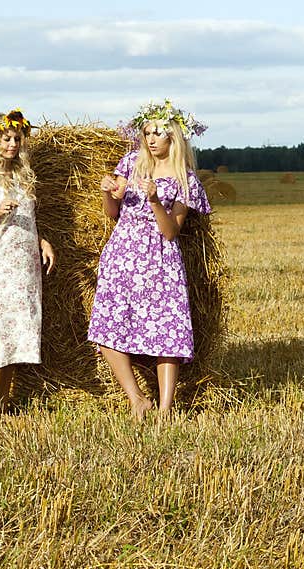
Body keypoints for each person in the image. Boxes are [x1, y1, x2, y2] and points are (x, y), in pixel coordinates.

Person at [87, 99, 210, 420]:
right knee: (107, 328)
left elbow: (171, 232)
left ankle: (166, 408)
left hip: (160, 260)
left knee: (168, 331)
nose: (151, 139)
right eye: (147, 133)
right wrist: (107, 192)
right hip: (122, 255)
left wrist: (155, 201)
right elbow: (111, 213)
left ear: (174, 136)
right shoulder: (130, 163)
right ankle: (137, 398)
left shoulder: (186, 180)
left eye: (158, 133)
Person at [0, 108, 56, 417]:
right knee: (0, 339)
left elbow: (30, 219)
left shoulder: (23, 178)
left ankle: (4, 404)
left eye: (17, 138)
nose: (12, 145)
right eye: (6, 139)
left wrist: (42, 241)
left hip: (25, 270)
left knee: (18, 339)